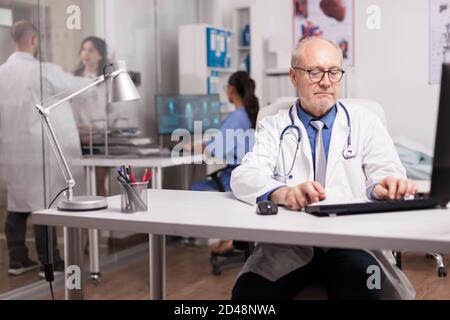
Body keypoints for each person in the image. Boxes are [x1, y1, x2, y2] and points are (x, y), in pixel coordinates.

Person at [230, 37, 416, 300]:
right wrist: (283, 193)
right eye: (315, 72)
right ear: (294, 77)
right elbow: (245, 175)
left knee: (366, 289)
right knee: (248, 294)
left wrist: (385, 185)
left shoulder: (366, 122)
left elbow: (386, 171)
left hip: (352, 243)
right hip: (289, 244)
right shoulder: (274, 125)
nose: (326, 81)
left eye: (334, 72)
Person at [0, 21, 87, 276]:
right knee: (43, 205)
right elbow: (77, 89)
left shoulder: (1, 72)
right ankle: (50, 263)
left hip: (12, 150)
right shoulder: (42, 70)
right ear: (35, 40)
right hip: (37, 150)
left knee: (17, 204)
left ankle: (17, 260)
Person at [191, 71, 259, 254]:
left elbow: (215, 149)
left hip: (235, 176)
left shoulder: (236, 117)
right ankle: (230, 234)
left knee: (195, 189)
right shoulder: (249, 113)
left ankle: (229, 236)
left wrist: (187, 147)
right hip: (251, 175)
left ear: (230, 90)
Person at [72, 36, 120, 197]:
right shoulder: (73, 79)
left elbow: (115, 114)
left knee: (99, 182)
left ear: (100, 55)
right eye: (83, 49)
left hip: (100, 140)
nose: (86, 54)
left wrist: (99, 129)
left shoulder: (108, 81)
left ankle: (101, 221)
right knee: (78, 184)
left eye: (91, 50)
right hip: (77, 139)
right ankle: (80, 222)